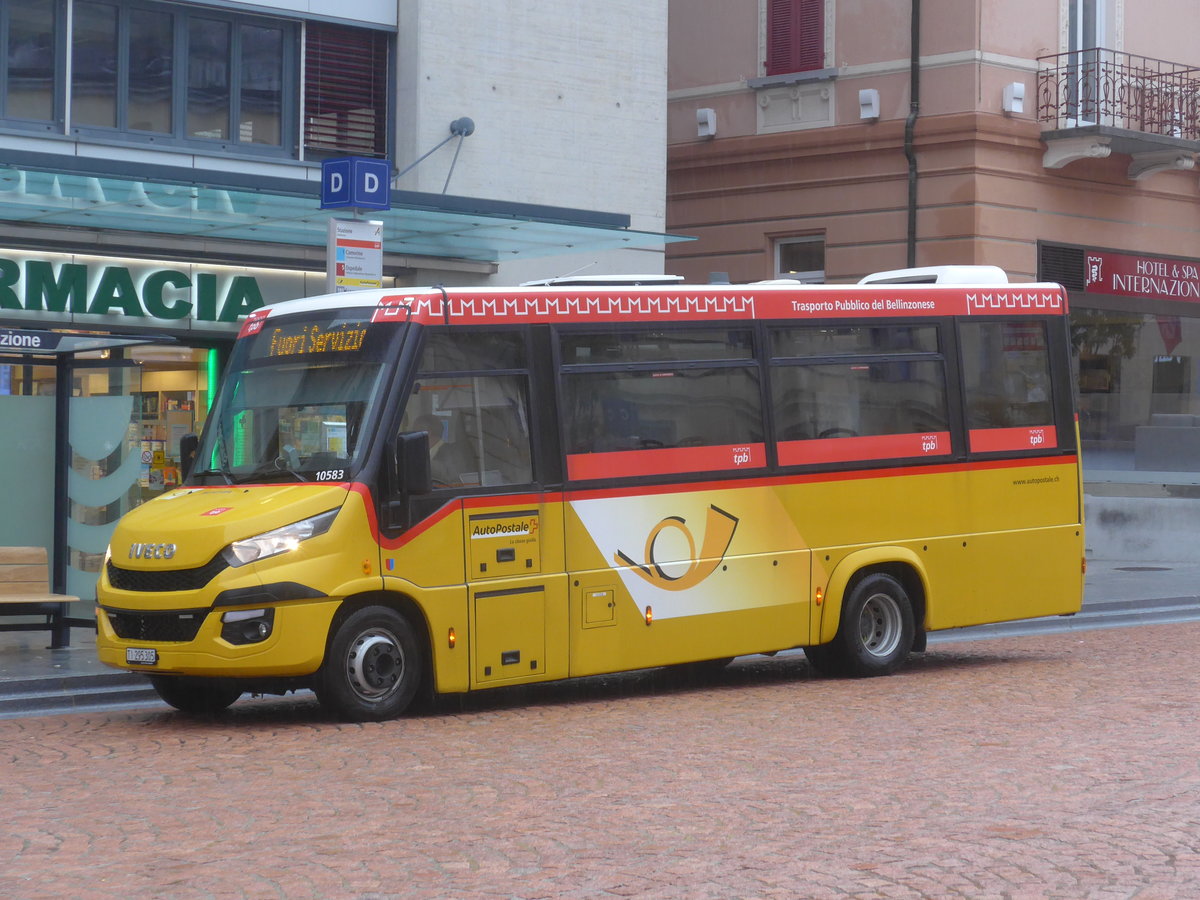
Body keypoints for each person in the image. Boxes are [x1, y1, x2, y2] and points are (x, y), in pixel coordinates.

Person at [415, 413, 469, 486]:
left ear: (427, 433)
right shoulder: (423, 453)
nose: (413, 438)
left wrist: (420, 463)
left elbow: (452, 478)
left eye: (415, 432)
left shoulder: (452, 452)